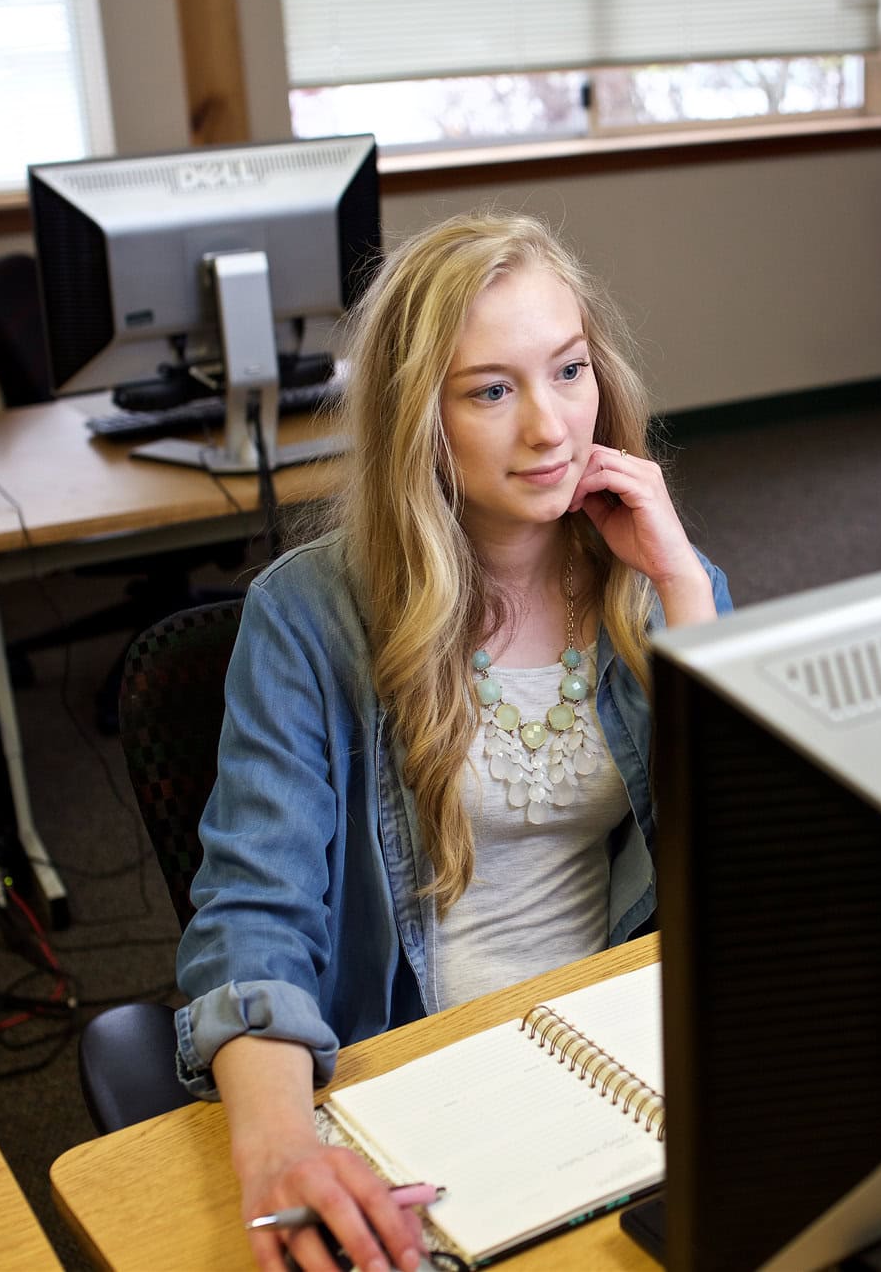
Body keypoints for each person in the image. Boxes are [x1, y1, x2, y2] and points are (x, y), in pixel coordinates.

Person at [173, 212, 732, 1272]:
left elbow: (761, 862)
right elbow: (253, 913)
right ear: (414, 416)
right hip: (420, 1075)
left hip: (628, 1050)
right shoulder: (309, 614)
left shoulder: (652, 578)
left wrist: (683, 592)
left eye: (568, 371)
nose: (551, 428)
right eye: (489, 390)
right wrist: (282, 1145)